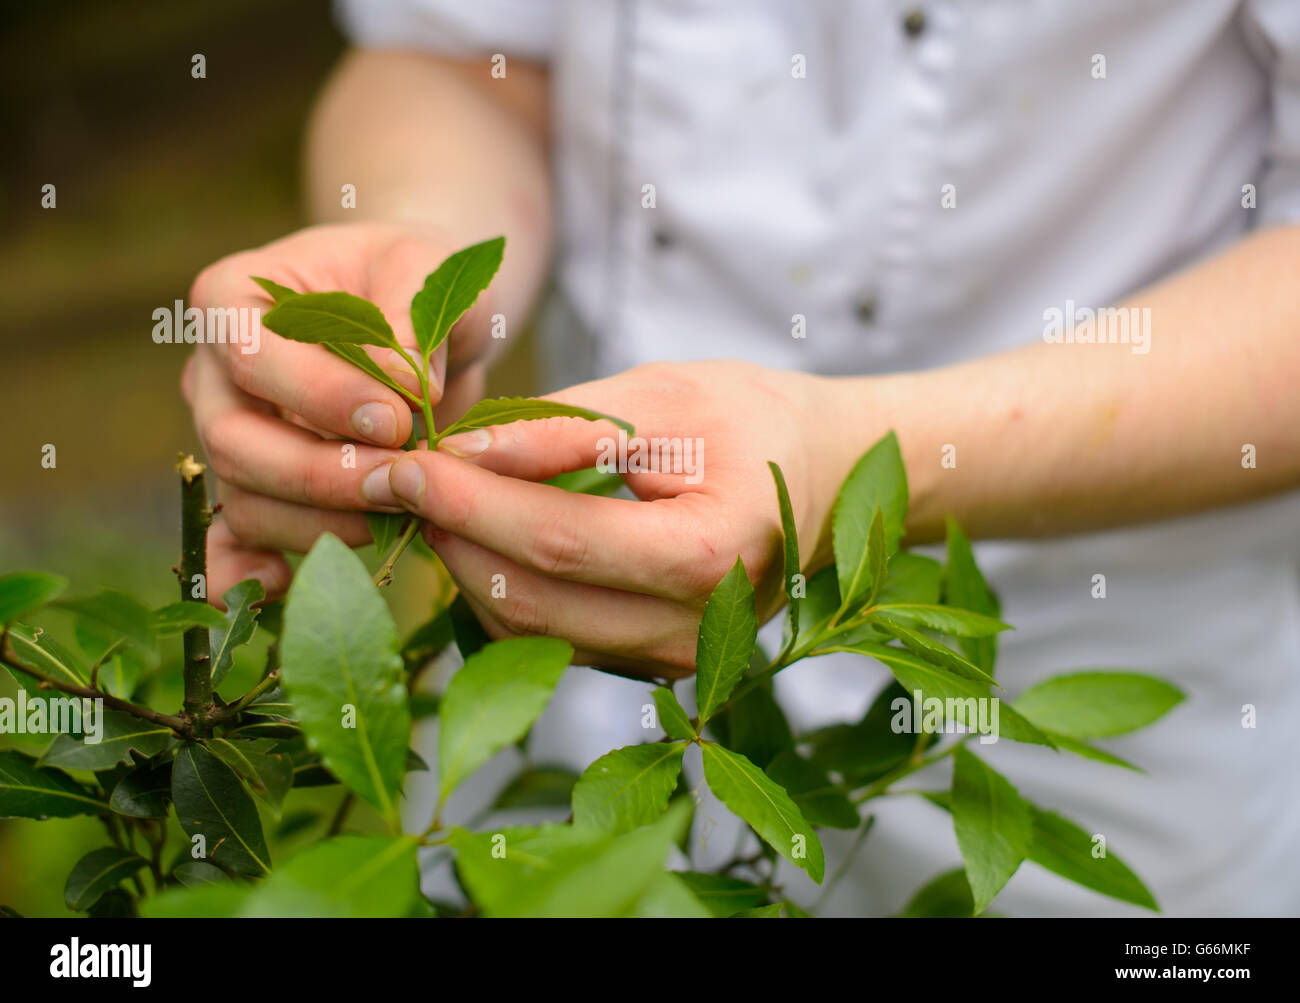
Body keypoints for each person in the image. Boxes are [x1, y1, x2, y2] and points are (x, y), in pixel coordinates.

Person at [182, 0, 1300, 915]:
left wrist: (849, 461)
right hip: (545, 703)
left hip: (1102, 669)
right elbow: (459, 56)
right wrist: (413, 266)